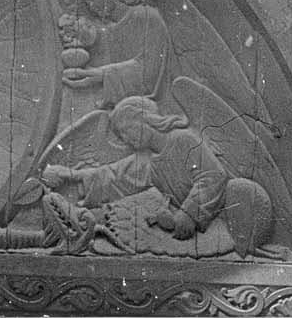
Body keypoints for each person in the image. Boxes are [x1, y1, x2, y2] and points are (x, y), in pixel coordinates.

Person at [41, 95, 227, 239]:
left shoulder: (183, 139)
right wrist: (69, 174)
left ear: (144, 119)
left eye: (126, 130)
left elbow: (213, 175)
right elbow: (112, 176)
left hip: (224, 214)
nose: (126, 139)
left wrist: (189, 213)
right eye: (121, 136)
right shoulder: (148, 161)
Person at [61, 0, 171, 106]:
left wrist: (103, 74)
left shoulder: (147, 17)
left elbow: (150, 73)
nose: (90, 6)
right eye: (87, 2)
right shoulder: (108, 30)